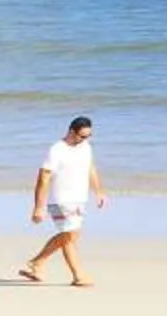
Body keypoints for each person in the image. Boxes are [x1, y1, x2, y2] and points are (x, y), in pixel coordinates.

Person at [20, 115, 107, 286]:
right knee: (68, 236)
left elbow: (91, 168)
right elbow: (43, 178)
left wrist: (99, 191)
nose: (85, 140)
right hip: (59, 200)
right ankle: (78, 276)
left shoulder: (86, 147)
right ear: (71, 131)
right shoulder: (57, 150)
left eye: (88, 136)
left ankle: (36, 263)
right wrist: (38, 207)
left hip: (79, 199)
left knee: (72, 235)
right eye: (82, 136)